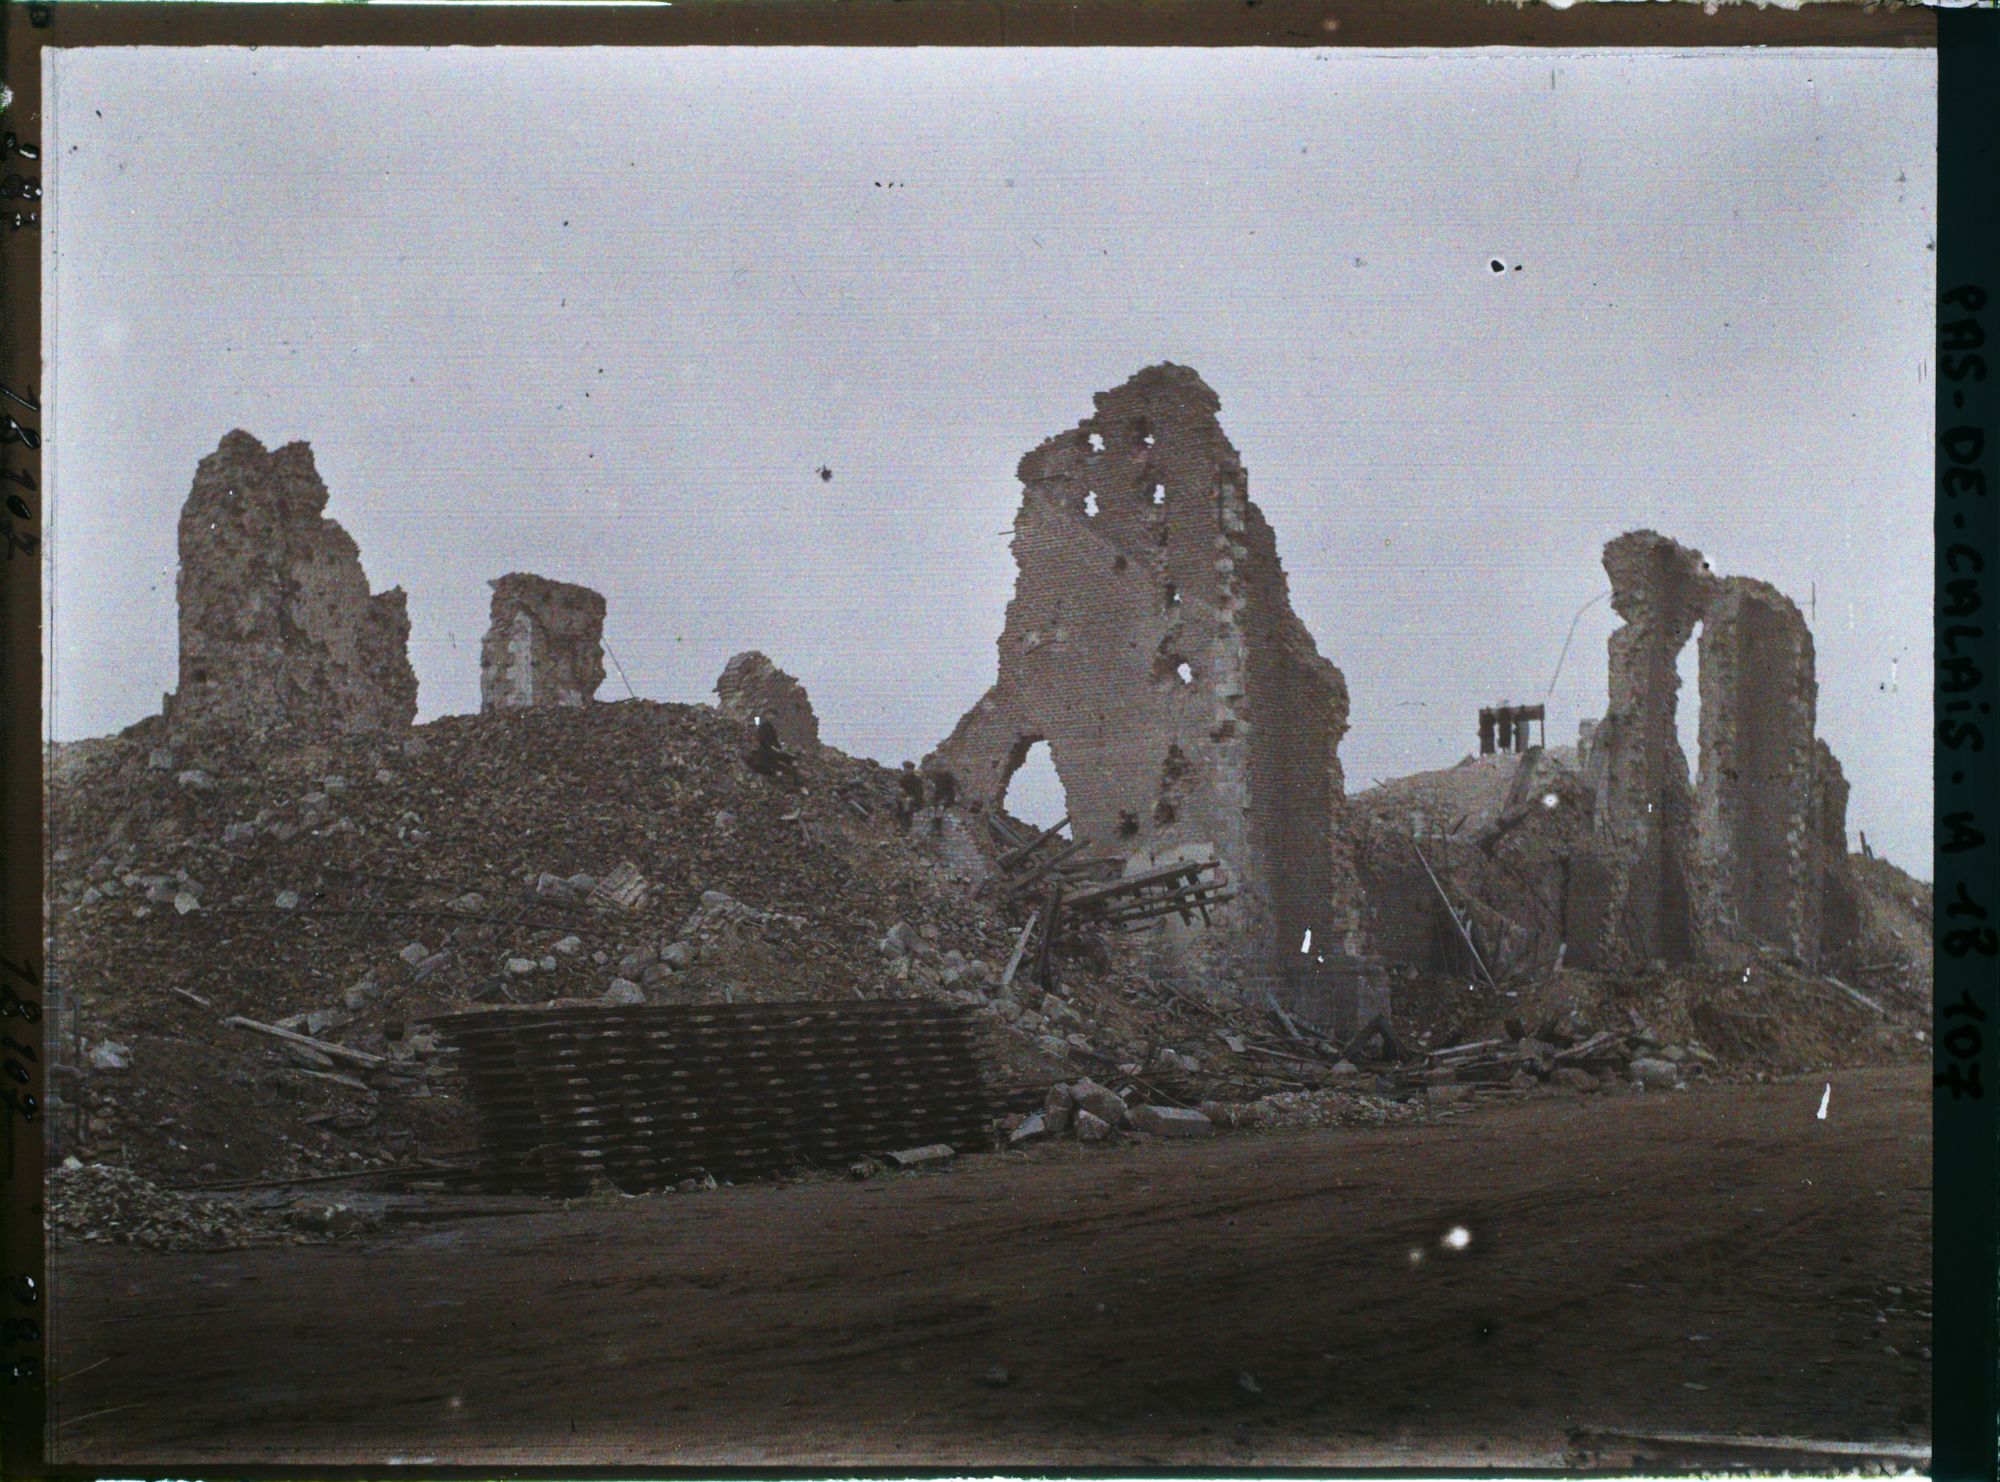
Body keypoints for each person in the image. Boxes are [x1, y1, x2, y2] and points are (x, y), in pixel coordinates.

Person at [895, 761, 925, 830]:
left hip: (916, 800)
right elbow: (901, 789)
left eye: (908, 768)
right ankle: (899, 823)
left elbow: (919, 793)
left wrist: (910, 798)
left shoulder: (917, 780)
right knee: (900, 799)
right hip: (905, 798)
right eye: (905, 768)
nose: (906, 770)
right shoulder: (903, 779)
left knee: (907, 802)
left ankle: (906, 824)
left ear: (912, 769)